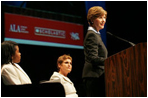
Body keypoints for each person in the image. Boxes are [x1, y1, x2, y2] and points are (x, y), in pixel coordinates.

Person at [82, 6, 108, 97]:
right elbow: (93, 58)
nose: (103, 20)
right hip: (93, 77)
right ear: (92, 19)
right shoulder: (91, 35)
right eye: (100, 17)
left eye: (104, 17)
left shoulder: (96, 35)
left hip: (97, 77)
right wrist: (110, 62)